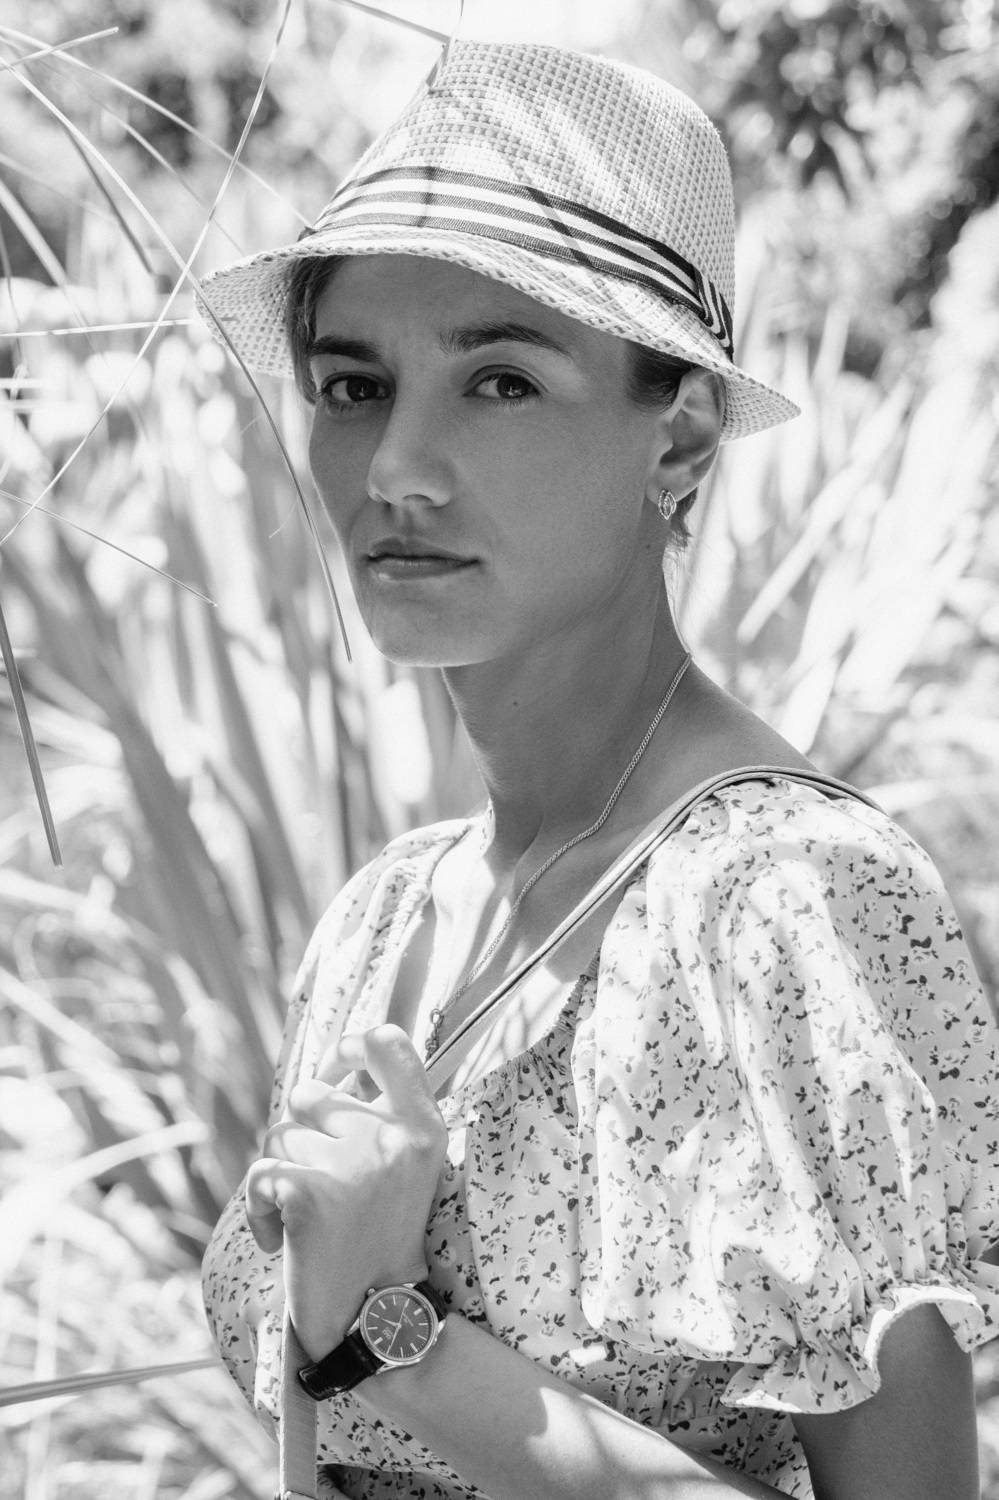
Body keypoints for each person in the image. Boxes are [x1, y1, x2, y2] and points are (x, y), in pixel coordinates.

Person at [198, 39, 999, 1500]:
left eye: (501, 381)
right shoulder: (386, 920)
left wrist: (397, 1336)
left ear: (679, 437)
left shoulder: (782, 907)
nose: (397, 468)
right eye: (352, 382)